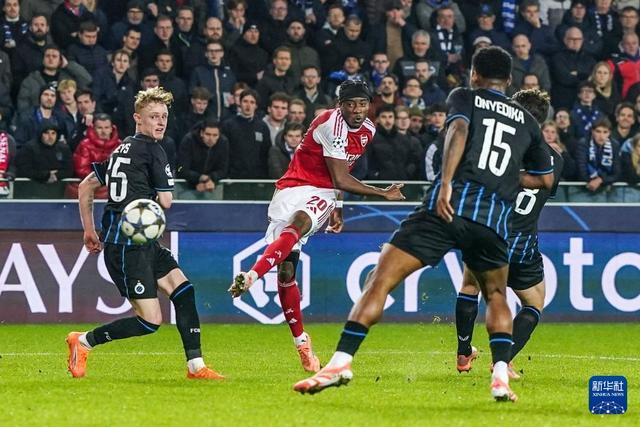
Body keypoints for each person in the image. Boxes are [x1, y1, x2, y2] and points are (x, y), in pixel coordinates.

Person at [292, 47, 553, 401]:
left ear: (474, 75)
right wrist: (506, 179)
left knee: (381, 278)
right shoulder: (528, 122)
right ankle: (500, 376)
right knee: (496, 295)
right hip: (490, 221)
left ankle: (340, 362)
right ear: (508, 80)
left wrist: (445, 182)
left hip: (445, 208)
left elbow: (458, 130)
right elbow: (545, 179)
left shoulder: (465, 97)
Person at [228, 80, 405, 373]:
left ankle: (252, 275)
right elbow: (341, 178)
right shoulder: (330, 124)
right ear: (340, 105)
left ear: (369, 105)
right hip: (291, 187)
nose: (357, 110)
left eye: (362, 104)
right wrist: (382, 193)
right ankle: (302, 342)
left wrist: (338, 207)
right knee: (286, 272)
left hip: (321, 192)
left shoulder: (368, 131)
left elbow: (341, 173)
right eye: (350, 104)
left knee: (298, 225)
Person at [65, 87, 223, 380]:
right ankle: (83, 341)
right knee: (150, 321)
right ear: (138, 118)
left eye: (164, 116)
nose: (160, 122)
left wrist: (88, 230)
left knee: (184, 291)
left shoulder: (121, 148)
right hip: (126, 247)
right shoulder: (153, 150)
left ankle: (196, 366)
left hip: (142, 241)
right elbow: (166, 201)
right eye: (153, 116)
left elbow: (86, 186)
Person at [453, 89, 562, 381]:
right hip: (523, 244)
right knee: (533, 302)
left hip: (489, 233)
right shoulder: (554, 159)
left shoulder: (493, 150)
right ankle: (503, 360)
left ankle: (463, 353)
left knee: (470, 286)